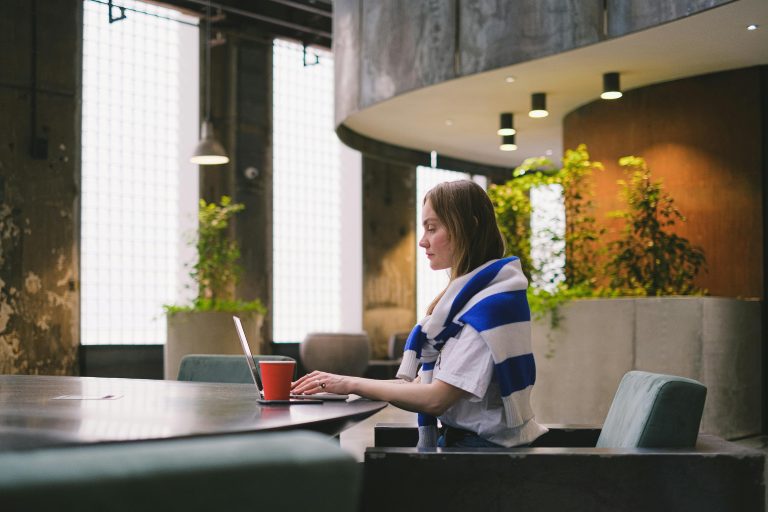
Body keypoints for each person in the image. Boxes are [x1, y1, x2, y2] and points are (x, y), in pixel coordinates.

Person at [292, 179, 547, 448]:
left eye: (432, 228)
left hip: (480, 456)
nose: (423, 242)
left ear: (469, 228)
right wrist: (341, 383)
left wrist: (349, 383)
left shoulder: (489, 310)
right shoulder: (468, 305)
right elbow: (423, 387)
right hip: (466, 447)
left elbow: (436, 398)